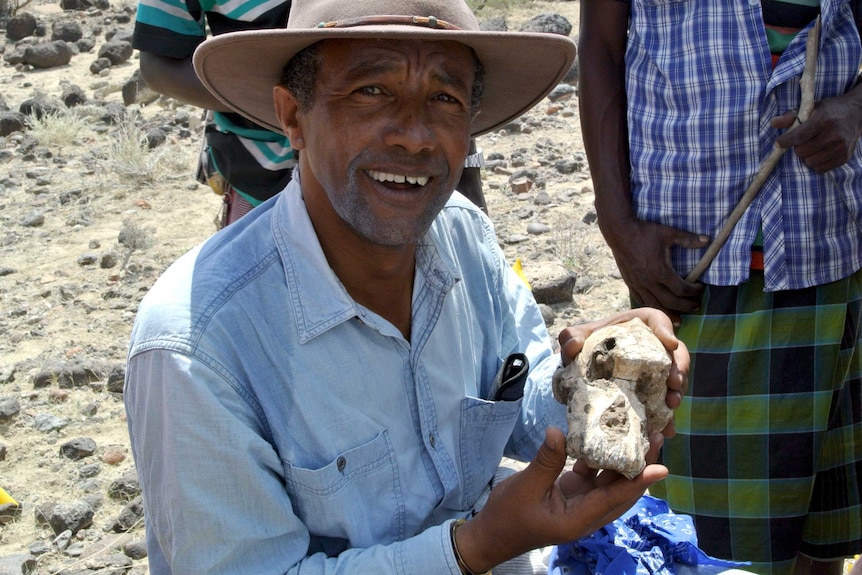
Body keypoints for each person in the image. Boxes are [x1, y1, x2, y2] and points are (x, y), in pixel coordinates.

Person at [123, 0, 691, 573]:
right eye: (371, 91)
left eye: (444, 98)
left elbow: (520, 407)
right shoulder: (195, 346)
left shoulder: (464, 235)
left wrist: (589, 375)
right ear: (293, 116)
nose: (416, 138)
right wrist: (477, 548)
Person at [578, 2, 862, 575]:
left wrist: (855, 110)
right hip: (696, 276)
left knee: (822, 548)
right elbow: (601, 47)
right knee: (710, 554)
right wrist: (617, 224)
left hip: (837, 247)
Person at [131, 0, 487, 226]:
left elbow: (438, 61)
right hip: (258, 172)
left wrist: (468, 182)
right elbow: (160, 63)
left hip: (395, 177)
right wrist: (295, 103)